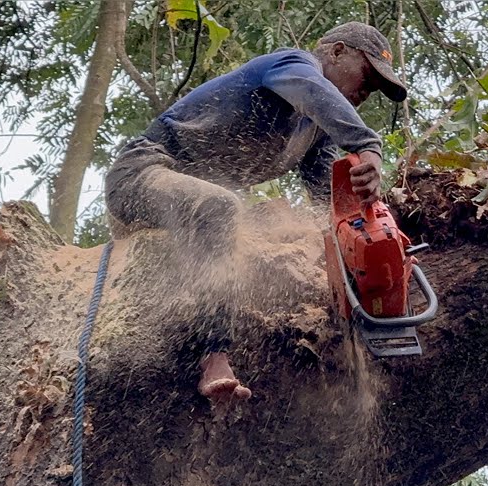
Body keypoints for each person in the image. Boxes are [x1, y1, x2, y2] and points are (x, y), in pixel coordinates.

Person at [106, 22, 407, 404]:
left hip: (190, 209)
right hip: (143, 174)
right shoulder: (292, 65)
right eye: (367, 77)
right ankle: (212, 354)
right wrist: (367, 145)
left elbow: (326, 205)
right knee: (220, 206)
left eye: (374, 91)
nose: (366, 93)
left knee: (270, 221)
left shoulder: (315, 135)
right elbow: (314, 92)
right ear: (335, 52)